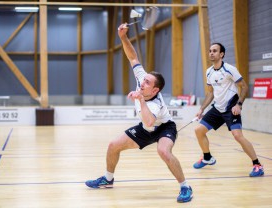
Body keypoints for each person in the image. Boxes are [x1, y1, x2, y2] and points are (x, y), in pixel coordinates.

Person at [85, 23, 193, 203]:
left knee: (164, 152)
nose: (143, 82)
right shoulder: (141, 79)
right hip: (145, 128)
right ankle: (108, 179)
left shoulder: (156, 103)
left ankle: (185, 186)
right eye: (143, 80)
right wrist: (123, 37)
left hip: (164, 127)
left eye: (148, 82)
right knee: (113, 145)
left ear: (156, 90)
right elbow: (133, 57)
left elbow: (150, 121)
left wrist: (140, 99)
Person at [193, 42, 264, 177]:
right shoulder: (208, 72)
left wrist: (239, 104)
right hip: (217, 108)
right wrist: (202, 109)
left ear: (221, 54)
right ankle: (207, 157)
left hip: (231, 107)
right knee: (198, 130)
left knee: (238, 136)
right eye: (210, 51)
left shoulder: (229, 69)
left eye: (214, 51)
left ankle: (257, 165)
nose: (211, 53)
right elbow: (210, 93)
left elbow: (244, 87)